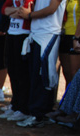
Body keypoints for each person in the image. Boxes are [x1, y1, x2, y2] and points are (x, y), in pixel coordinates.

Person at [13, 0, 66, 128]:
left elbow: (52, 8)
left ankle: (39, 113)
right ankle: (38, 111)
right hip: (37, 33)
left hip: (48, 33)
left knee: (43, 75)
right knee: (34, 74)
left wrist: (30, 15)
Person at [0, 0, 32, 121]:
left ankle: (23, 108)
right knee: (12, 69)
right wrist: (14, 11)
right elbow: (4, 10)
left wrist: (12, 11)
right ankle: (15, 104)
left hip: (24, 34)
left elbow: (25, 11)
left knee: (21, 72)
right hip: (12, 33)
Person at [59, 0, 80, 86]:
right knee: (66, 73)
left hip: (78, 36)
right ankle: (68, 98)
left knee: (75, 74)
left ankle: (75, 98)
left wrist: (76, 37)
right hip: (65, 35)